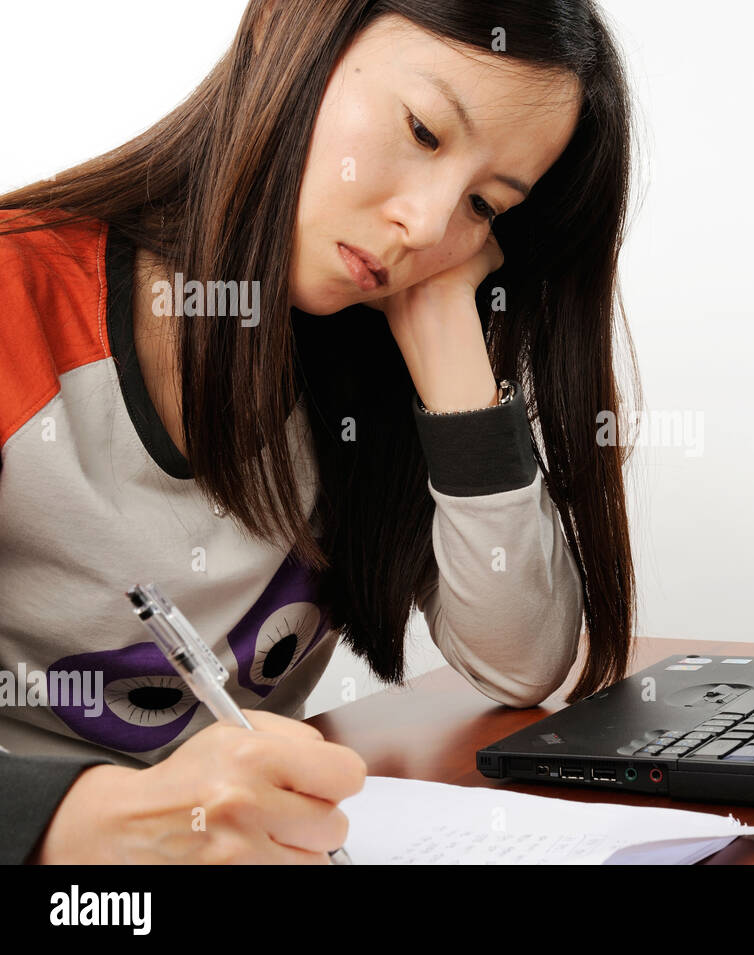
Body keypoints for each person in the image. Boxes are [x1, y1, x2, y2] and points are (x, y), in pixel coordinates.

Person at [0, 0, 641, 864]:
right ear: (286, 28)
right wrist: (80, 821)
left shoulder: (365, 355)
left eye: (485, 206)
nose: (426, 225)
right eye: (422, 131)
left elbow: (520, 663)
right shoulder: (17, 298)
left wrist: (447, 332)